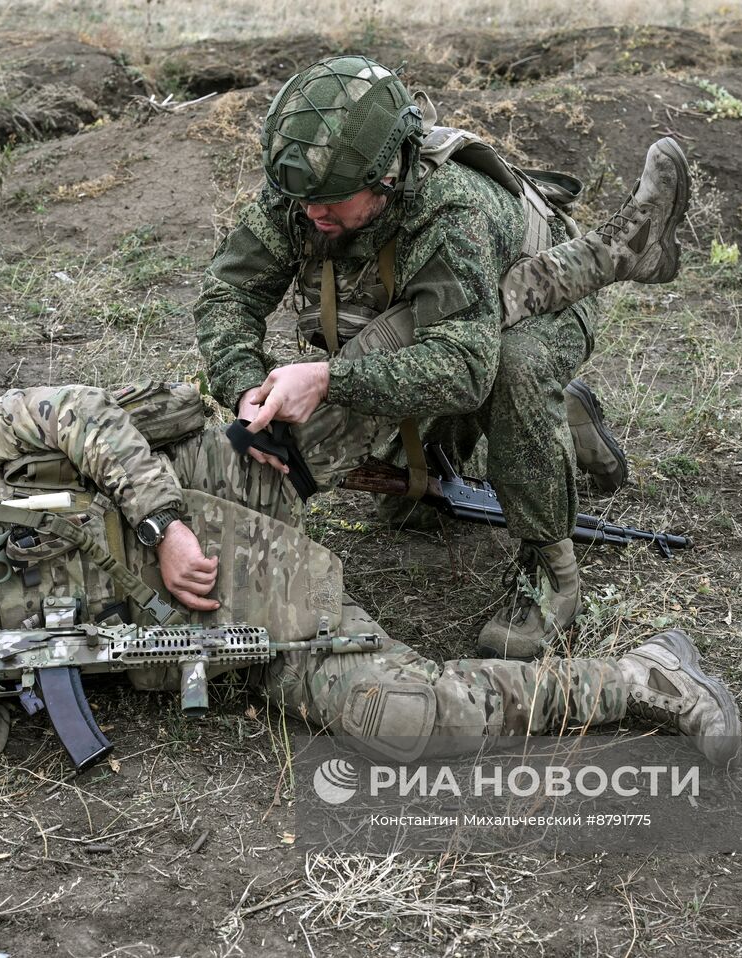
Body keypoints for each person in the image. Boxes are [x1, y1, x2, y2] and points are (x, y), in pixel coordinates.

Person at [0, 383, 740, 836]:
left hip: (217, 482)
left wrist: (160, 518)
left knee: (382, 381)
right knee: (411, 720)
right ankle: (646, 674)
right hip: (228, 629)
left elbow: (68, 410)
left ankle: (534, 397)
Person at [194, 55, 691, 660]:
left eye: (329, 202)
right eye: (303, 201)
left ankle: (549, 570)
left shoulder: (450, 210)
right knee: (408, 504)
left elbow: (464, 367)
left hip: (536, 312)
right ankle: (608, 295)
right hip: (430, 311)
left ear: (382, 177)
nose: (311, 216)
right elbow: (230, 292)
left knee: (515, 365)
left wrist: (329, 378)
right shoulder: (306, 191)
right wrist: (243, 382)